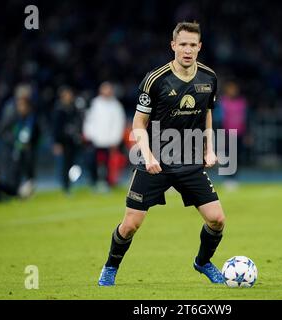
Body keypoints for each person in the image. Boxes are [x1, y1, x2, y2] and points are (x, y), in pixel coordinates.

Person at [98, 22, 226, 286]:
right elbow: (137, 124)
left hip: (189, 161)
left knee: (217, 219)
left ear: (199, 47)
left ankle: (202, 262)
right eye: (183, 44)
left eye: (193, 45)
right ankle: (110, 267)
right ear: (173, 46)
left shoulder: (209, 78)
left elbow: (207, 115)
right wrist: (148, 155)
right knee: (131, 224)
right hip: (155, 160)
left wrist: (209, 149)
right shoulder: (155, 80)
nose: (188, 50)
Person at [83, 82, 126, 190]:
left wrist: (115, 139)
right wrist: (89, 135)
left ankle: (107, 183)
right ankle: (94, 181)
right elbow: (89, 120)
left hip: (109, 140)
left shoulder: (116, 105)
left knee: (108, 164)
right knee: (92, 161)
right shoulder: (95, 103)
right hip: (96, 139)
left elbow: (119, 123)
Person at [52, 86, 83, 193]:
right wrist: (56, 142)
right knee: (64, 165)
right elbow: (55, 127)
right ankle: (65, 186)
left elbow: (77, 123)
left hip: (72, 141)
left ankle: (70, 184)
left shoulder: (73, 108)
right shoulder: (59, 109)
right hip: (63, 142)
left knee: (72, 164)